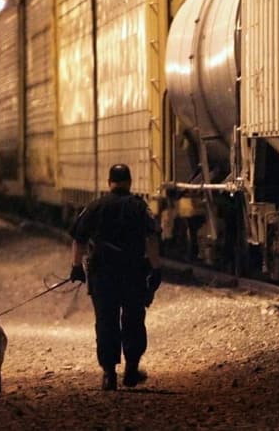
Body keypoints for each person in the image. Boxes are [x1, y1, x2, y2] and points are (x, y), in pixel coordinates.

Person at [68, 163, 163, 391]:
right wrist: (156, 269)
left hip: (102, 273)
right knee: (133, 318)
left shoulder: (95, 206)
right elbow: (152, 239)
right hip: (133, 272)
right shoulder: (140, 207)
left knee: (106, 320)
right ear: (129, 182)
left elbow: (79, 239)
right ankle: (131, 368)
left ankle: (109, 373)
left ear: (109, 182)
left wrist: (76, 266)